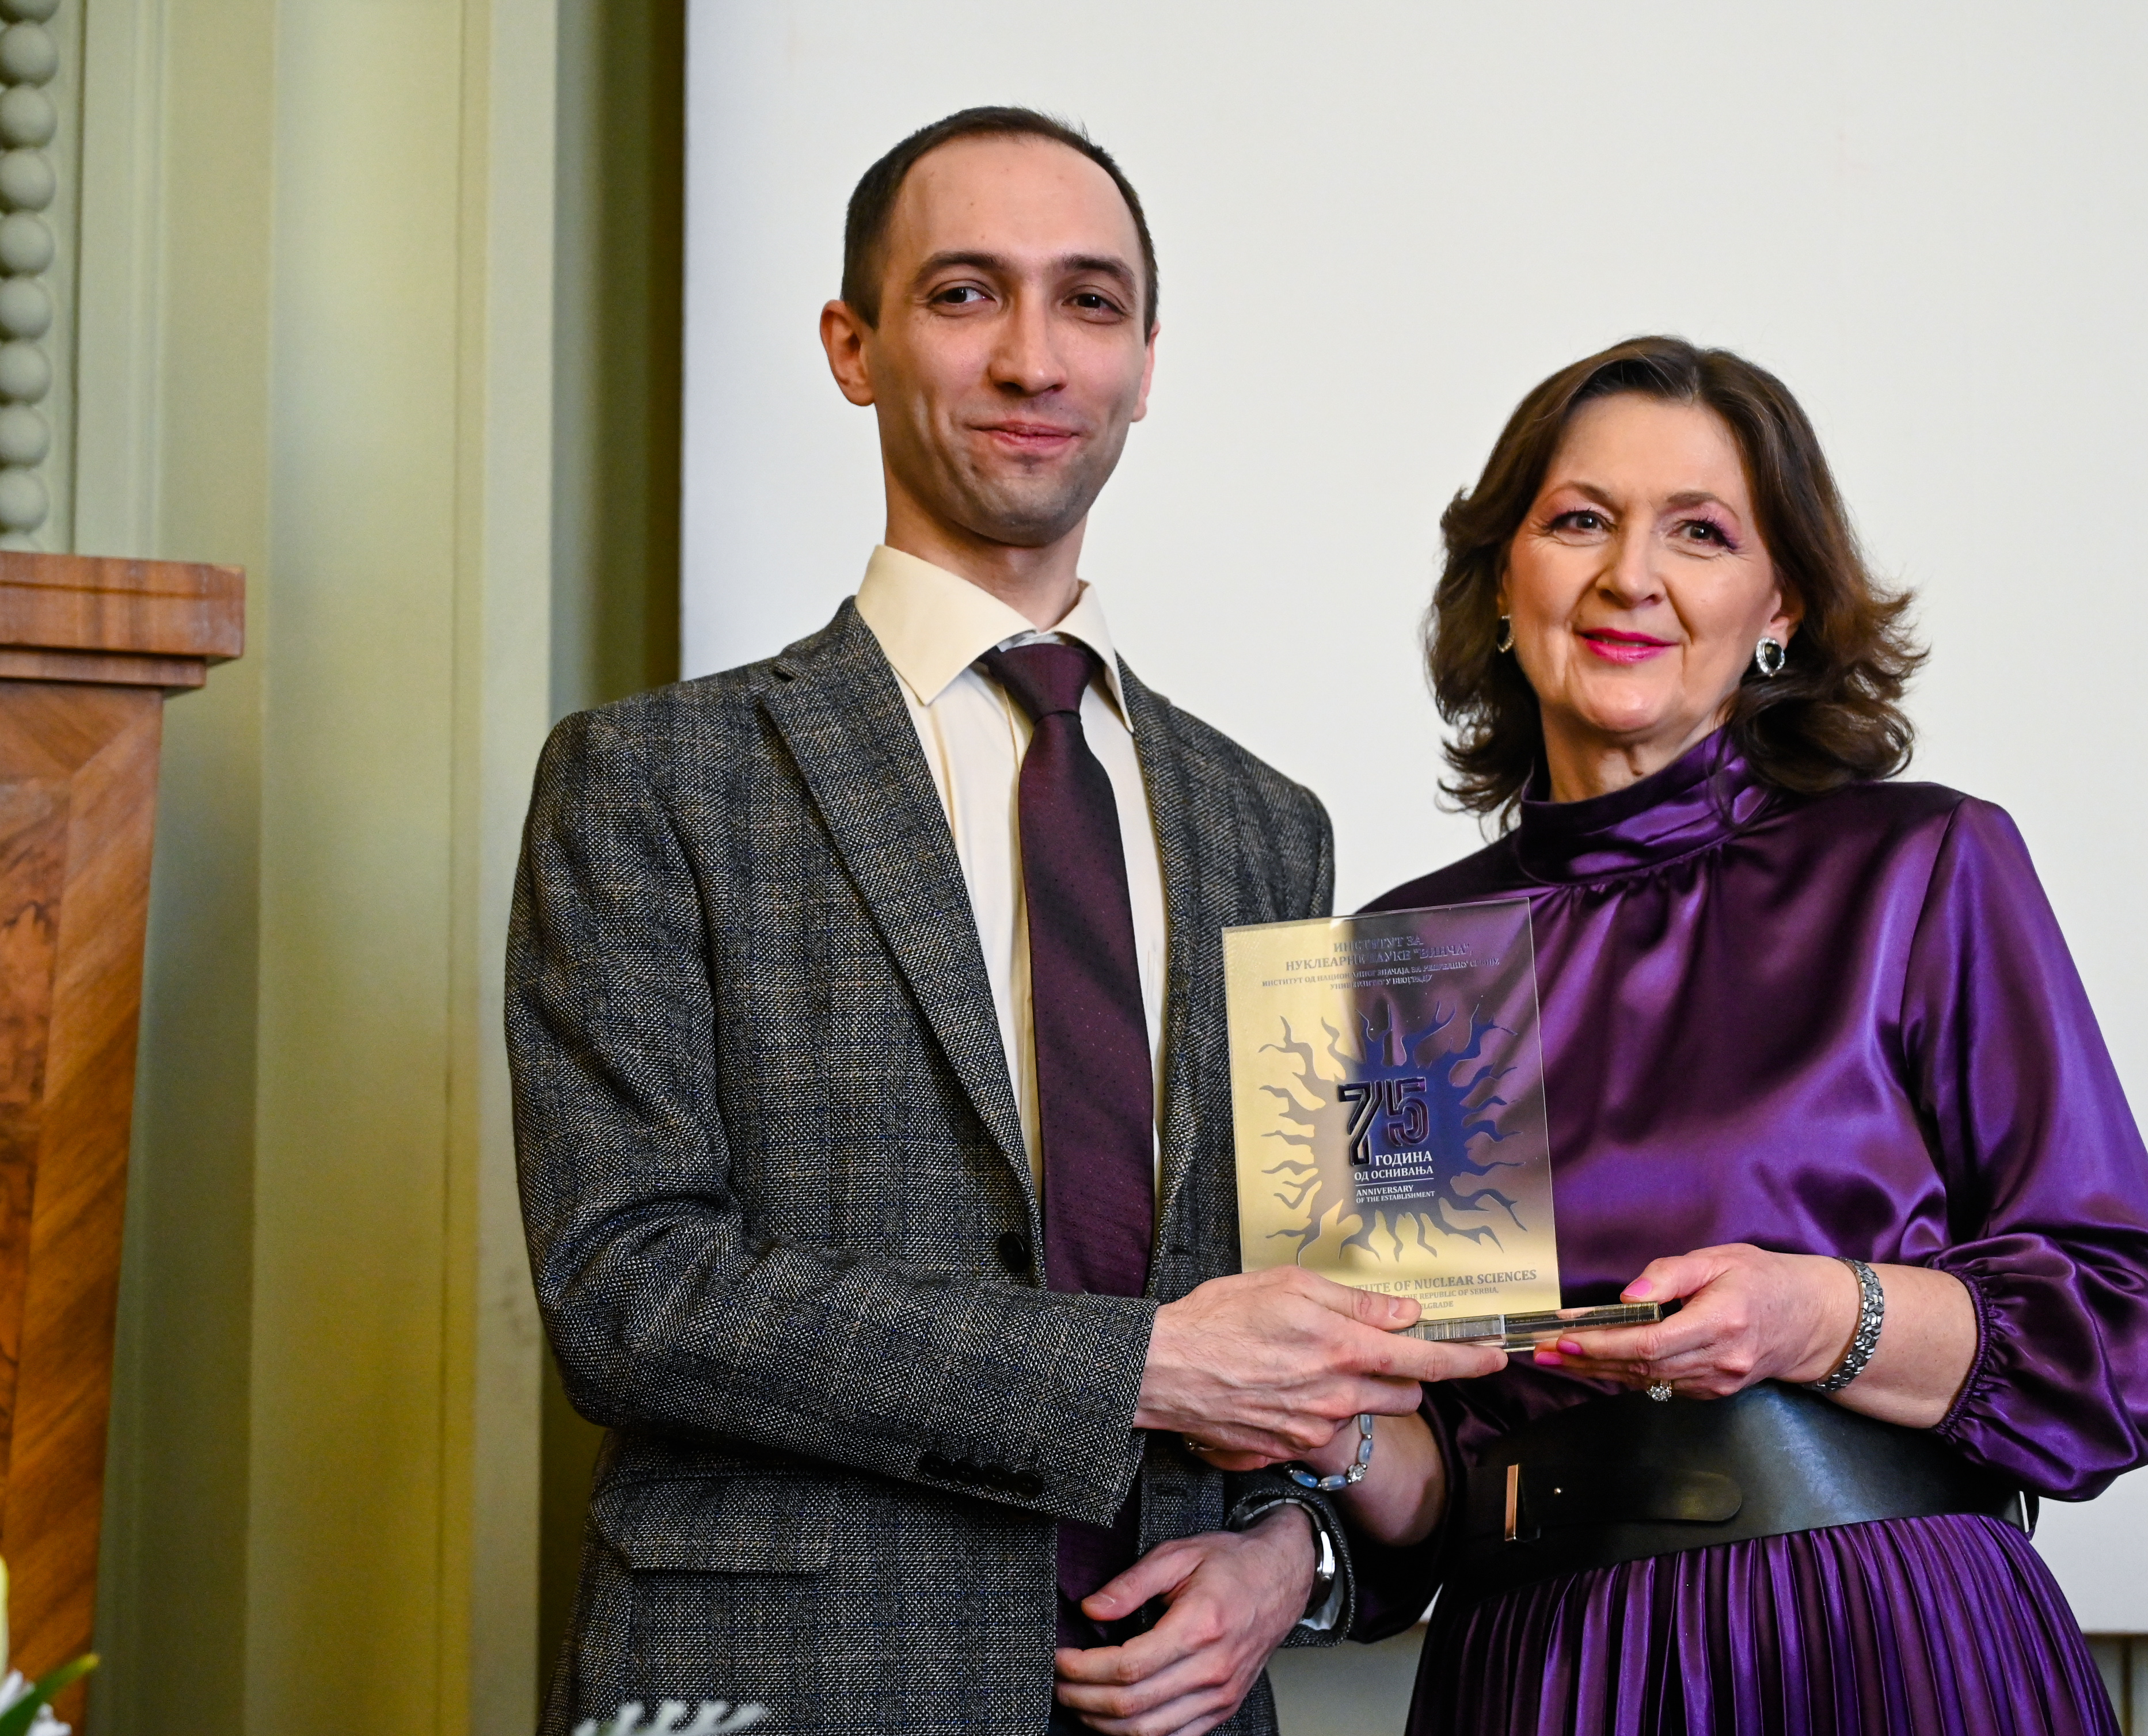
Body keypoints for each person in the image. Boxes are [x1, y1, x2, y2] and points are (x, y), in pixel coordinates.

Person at [508, 108, 1501, 1736]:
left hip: (1176, 1705)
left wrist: (1288, 1562)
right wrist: (1138, 1367)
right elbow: (629, 1293)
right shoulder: (653, 782)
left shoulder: (1270, 827)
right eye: (966, 293)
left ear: (1146, 363)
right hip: (791, 1688)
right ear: (853, 346)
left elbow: (1338, 1340)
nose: (1036, 358)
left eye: (1089, 302)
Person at [1261, 336, 2148, 1733]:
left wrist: (1812, 1315)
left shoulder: (1917, 866)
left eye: (1698, 532)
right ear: (1503, 582)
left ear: (1779, 606)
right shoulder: (1407, 961)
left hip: (1883, 1641)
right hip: (1543, 1673)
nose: (1628, 576)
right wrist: (1326, 1414)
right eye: (1577, 520)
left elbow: (2131, 1330)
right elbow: (1441, 1486)